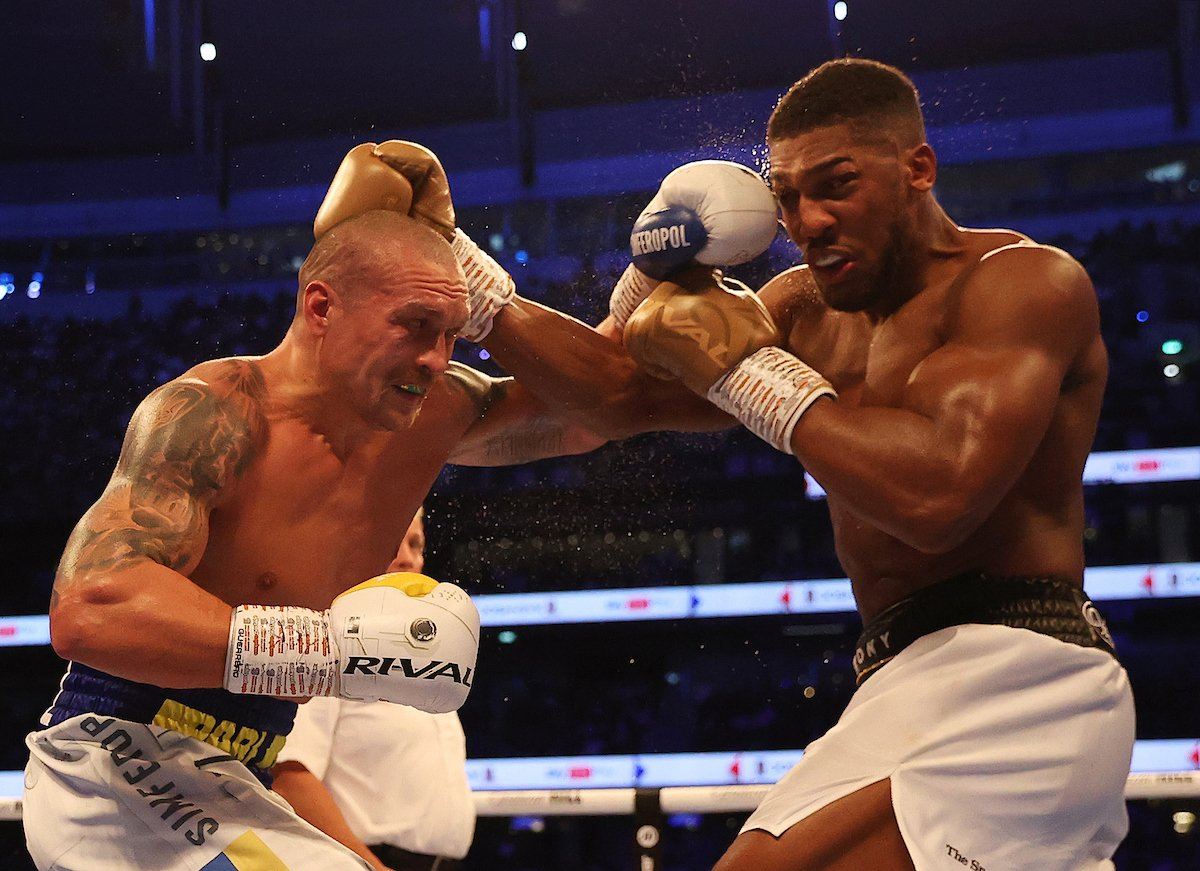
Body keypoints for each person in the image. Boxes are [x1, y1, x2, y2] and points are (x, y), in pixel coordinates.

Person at [467, 61, 1134, 870]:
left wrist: (747, 373)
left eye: (837, 185)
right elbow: (610, 398)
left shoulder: (1023, 284)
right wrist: (461, 278)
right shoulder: (800, 308)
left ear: (917, 168)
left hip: (1021, 668)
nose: (808, 220)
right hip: (905, 672)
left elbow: (939, 495)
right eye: (787, 197)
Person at [21, 147, 659, 869]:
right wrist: (333, 654)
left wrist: (650, 283)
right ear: (321, 306)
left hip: (235, 777)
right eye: (414, 324)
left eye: (453, 333)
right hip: (117, 758)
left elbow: (592, 408)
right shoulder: (215, 412)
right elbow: (90, 608)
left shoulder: (430, 417)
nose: (434, 358)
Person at [272, 509, 475, 871]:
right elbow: (290, 778)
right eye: (392, 540)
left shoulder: (429, 662)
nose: (407, 558)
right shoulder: (329, 645)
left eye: (416, 543)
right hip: (363, 861)